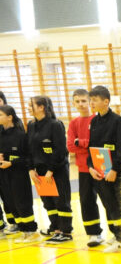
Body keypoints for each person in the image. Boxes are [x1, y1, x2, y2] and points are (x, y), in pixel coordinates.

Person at [26, 96, 73, 243]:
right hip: (40, 171)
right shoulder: (32, 125)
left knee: (61, 201)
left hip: (56, 170)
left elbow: (60, 151)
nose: (28, 107)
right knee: (48, 202)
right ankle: (56, 228)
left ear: (41, 107)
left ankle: (65, 232)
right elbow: (29, 149)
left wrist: (51, 170)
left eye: (31, 105)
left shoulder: (55, 125)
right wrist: (31, 169)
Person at [87, 85, 121, 252]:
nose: (92, 103)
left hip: (114, 173)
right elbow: (91, 147)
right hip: (99, 172)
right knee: (108, 205)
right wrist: (90, 167)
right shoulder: (94, 121)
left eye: (95, 100)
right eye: (91, 100)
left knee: (119, 205)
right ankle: (115, 235)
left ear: (106, 101)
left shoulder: (117, 121)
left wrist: (115, 169)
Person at [65, 88, 103, 246]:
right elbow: (70, 147)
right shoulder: (74, 123)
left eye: (83, 101)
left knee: (109, 201)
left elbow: (99, 143)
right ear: (73, 104)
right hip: (83, 169)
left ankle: (118, 232)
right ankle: (94, 234)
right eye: (77, 101)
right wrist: (86, 144)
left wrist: (80, 142)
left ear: (90, 102)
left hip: (101, 166)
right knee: (86, 201)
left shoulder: (98, 120)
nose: (81, 104)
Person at [0, 104, 39, 241]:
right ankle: (23, 230)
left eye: (0, 115)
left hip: (18, 174)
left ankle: (31, 230)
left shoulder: (21, 135)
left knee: (22, 201)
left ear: (10, 117)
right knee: (11, 202)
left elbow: (27, 157)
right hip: (3, 174)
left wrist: (11, 163)